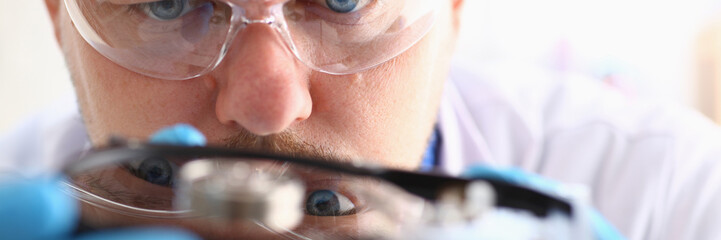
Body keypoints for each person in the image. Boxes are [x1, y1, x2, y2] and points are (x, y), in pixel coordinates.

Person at [1, 0, 720, 239]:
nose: (266, 103)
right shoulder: (17, 191)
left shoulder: (671, 193)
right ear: (62, 20)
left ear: (452, 11)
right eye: (165, 1)